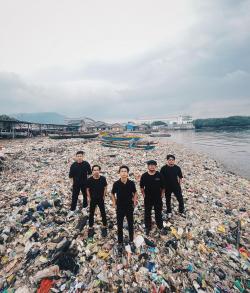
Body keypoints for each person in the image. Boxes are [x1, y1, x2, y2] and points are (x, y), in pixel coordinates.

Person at [111, 165, 138, 256]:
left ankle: (131, 241)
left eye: (125, 171)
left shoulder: (131, 183)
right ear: (119, 173)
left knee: (131, 224)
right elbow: (112, 193)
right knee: (119, 225)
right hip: (120, 207)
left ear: (127, 173)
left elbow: (135, 192)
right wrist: (114, 203)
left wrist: (134, 201)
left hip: (129, 207)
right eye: (122, 171)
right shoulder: (116, 183)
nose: (123, 173)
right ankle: (120, 243)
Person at [140, 160, 165, 236]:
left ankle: (160, 226)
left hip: (157, 198)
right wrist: (144, 195)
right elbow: (141, 187)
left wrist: (162, 195)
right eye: (150, 165)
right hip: (148, 198)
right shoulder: (144, 175)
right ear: (148, 166)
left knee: (158, 213)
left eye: (153, 165)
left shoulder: (159, 175)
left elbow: (163, 187)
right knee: (147, 213)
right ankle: (148, 227)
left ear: (156, 166)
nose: (152, 166)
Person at [86, 165, 108, 238]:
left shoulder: (103, 178)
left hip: (100, 199)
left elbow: (105, 187)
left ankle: (104, 226)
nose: (96, 171)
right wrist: (89, 198)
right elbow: (87, 189)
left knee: (103, 212)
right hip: (93, 199)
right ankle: (91, 228)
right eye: (94, 170)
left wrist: (104, 196)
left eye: (97, 170)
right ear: (92, 171)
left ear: (99, 171)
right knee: (91, 213)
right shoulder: (89, 180)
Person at [68, 151, 91, 216]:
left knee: (85, 196)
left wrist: (89, 183)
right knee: (74, 197)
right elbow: (71, 176)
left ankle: (84, 208)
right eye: (78, 156)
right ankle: (72, 210)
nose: (79, 157)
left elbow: (89, 174)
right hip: (76, 184)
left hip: (85, 183)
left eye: (80, 156)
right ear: (76, 157)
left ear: (83, 157)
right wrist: (72, 184)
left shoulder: (86, 164)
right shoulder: (73, 165)